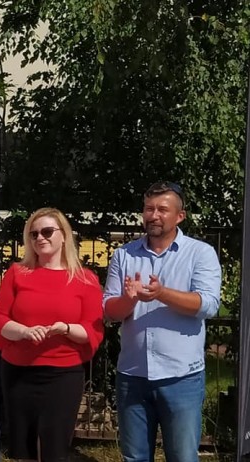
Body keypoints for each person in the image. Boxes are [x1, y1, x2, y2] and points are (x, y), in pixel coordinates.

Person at [104, 181, 221, 462]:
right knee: (134, 457)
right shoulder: (124, 254)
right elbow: (109, 311)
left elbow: (208, 305)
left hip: (181, 377)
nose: (153, 215)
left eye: (162, 209)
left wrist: (162, 293)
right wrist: (129, 299)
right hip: (133, 375)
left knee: (182, 457)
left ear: (180, 216)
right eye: (148, 208)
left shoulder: (200, 253)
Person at [0, 207, 104, 462]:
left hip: (62, 375)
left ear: (64, 235)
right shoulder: (17, 273)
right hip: (18, 372)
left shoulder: (85, 279)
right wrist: (23, 331)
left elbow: (92, 330)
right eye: (33, 234)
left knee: (54, 449)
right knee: (24, 450)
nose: (40, 238)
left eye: (47, 231)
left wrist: (65, 328)